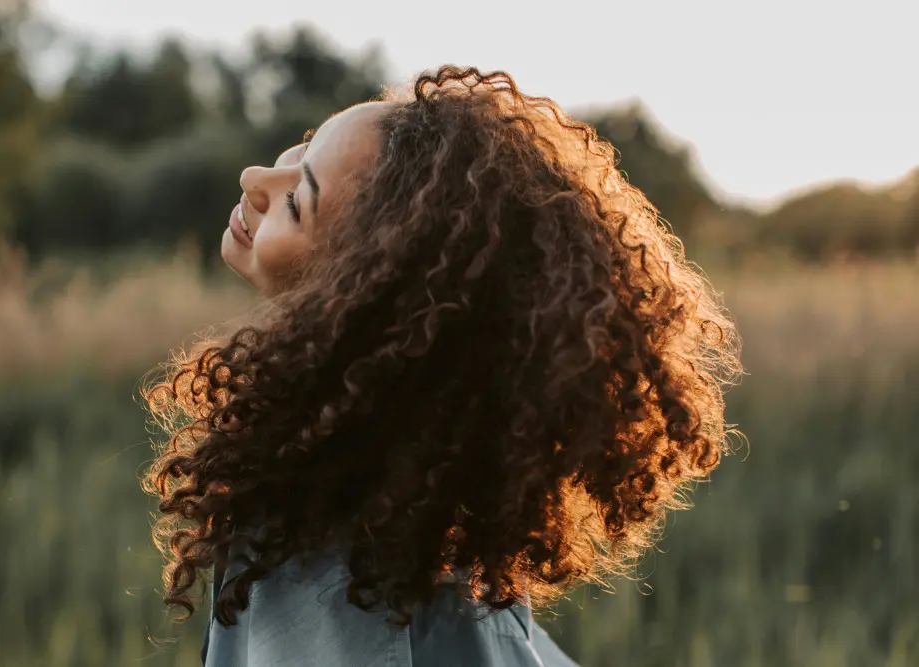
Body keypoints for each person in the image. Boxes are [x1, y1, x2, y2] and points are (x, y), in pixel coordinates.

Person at [143, 65, 742, 667]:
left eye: (298, 201)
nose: (254, 178)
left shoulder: (331, 539)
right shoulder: (408, 499)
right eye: (302, 149)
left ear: (367, 297)